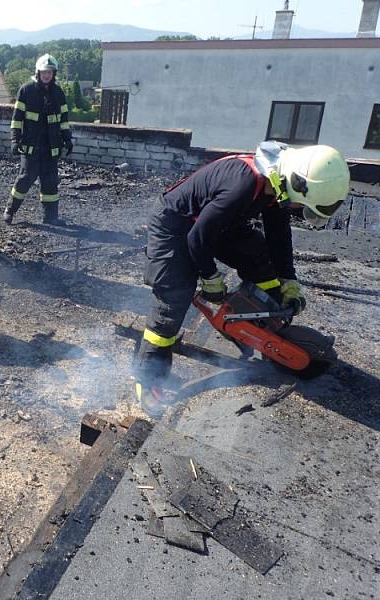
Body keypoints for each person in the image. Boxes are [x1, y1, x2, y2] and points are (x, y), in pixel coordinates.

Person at [134, 141, 350, 418]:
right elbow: (197, 238)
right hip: (176, 225)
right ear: (297, 184)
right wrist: (210, 278)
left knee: (259, 255)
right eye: (300, 204)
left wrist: (288, 280)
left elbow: (279, 237)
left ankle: (257, 322)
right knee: (173, 297)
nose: (297, 208)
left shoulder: (278, 183)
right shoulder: (245, 184)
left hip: (215, 222)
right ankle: (148, 378)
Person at [4, 54, 73, 226]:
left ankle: (50, 217)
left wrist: (68, 139)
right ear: (38, 72)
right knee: (26, 178)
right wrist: (14, 140)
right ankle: (10, 211)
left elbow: (63, 119)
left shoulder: (58, 93)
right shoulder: (26, 90)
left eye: (50, 72)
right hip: (30, 146)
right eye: (44, 72)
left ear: (53, 73)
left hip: (51, 147)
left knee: (50, 182)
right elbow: (17, 119)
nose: (47, 75)